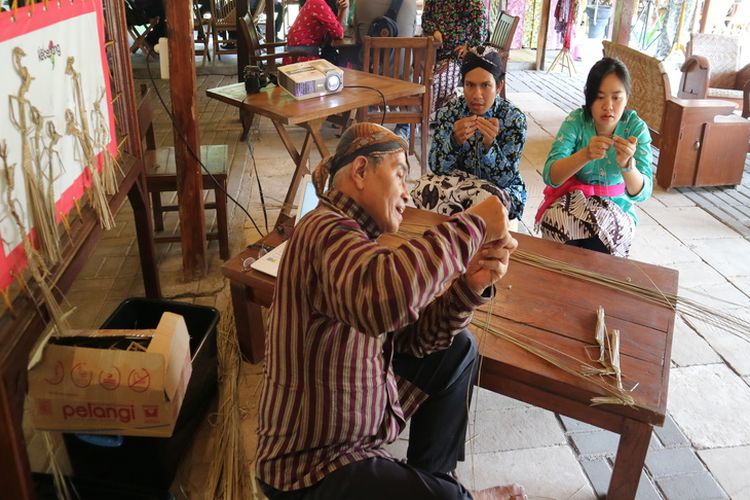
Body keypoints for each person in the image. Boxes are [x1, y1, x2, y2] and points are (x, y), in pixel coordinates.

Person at [255, 122, 525, 500]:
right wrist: (475, 224)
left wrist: (470, 286)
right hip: (310, 467)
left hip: (355, 438)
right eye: (400, 174)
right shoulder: (321, 229)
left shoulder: (356, 239)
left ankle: (432, 478)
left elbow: (413, 340)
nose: (407, 192)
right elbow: (385, 301)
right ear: (361, 171)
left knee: (458, 349)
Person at [535, 57, 652, 257]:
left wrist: (628, 166)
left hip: (617, 207)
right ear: (589, 98)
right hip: (573, 201)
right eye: (599, 97)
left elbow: (642, 192)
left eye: (616, 97)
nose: (608, 106)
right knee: (558, 229)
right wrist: (585, 155)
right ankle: (559, 283)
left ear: (627, 97)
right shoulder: (576, 121)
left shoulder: (635, 128)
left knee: (605, 239)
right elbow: (550, 175)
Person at [411, 47, 528, 222]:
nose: (477, 95)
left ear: (499, 86)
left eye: (486, 85)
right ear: (462, 84)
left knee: (487, 201)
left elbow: (506, 179)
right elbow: (436, 167)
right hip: (461, 186)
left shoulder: (513, 119)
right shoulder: (450, 112)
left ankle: (462, 234)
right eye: (470, 85)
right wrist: (454, 141)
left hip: (500, 191)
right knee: (423, 187)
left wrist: (490, 146)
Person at [422, 0, 489, 111]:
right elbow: (425, 19)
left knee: (437, 80)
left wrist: (469, 47)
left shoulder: (470, 2)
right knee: (413, 76)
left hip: (456, 54)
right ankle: (422, 116)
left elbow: (481, 21)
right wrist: (435, 31)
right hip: (433, 51)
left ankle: (438, 115)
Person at [283, 0, 349, 65]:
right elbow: (338, 34)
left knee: (330, 56)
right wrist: (342, 11)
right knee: (335, 63)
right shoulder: (318, 3)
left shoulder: (315, 2)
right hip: (301, 58)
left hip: (295, 56)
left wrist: (342, 10)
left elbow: (335, 28)